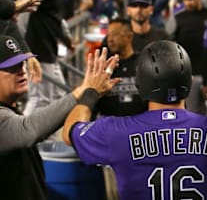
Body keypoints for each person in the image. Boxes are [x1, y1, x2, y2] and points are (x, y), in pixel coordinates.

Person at [62, 30, 207, 199]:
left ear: (140, 86)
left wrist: (90, 91)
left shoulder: (115, 132)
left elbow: (69, 132)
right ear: (189, 82)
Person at [0, 35, 120, 200]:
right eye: (10, 68)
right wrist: (84, 91)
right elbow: (29, 130)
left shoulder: (11, 109)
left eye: (21, 64)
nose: (21, 70)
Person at [165, 0, 207, 115]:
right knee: (193, 113)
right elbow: (169, 47)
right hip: (190, 74)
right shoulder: (177, 18)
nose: (188, 2)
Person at [23, 0, 75, 119]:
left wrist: (67, 38)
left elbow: (57, 17)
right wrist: (23, 47)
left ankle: (49, 137)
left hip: (50, 49)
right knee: (39, 99)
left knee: (59, 94)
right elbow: (22, 12)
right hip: (37, 50)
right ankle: (18, 134)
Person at [97, 18, 146, 116]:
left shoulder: (144, 63)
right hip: (110, 126)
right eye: (108, 35)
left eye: (115, 34)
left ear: (129, 36)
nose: (110, 39)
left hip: (140, 126)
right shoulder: (103, 66)